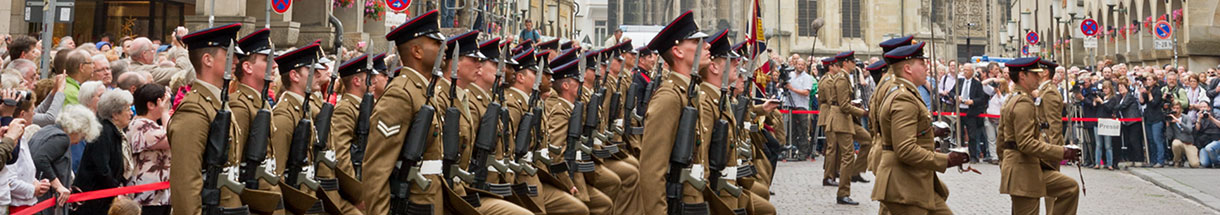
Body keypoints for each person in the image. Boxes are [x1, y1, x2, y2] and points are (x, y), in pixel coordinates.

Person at [363, 10, 448, 215]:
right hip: (415, 204)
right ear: (417, 51)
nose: (443, 48)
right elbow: (377, 169)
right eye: (436, 43)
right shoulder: (401, 94)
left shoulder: (422, 90)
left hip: (432, 198)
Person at [871, 41, 968, 214]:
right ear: (908, 68)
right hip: (904, 182)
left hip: (912, 178)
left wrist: (930, 133)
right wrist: (946, 159)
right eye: (922, 64)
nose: (927, 68)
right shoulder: (903, 98)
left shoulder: (906, 92)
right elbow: (905, 149)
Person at [168, 23, 246, 214]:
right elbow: (186, 182)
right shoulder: (194, 109)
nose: (236, 60)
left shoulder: (217, 102)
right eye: (229, 54)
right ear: (207, 60)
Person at [640, 10, 712, 213]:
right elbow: (652, 171)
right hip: (680, 200)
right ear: (678, 52)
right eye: (697, 43)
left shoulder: (690, 92)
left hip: (694, 195)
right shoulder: (669, 98)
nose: (707, 46)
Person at [998, 56, 1081, 215]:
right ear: (1022, 76)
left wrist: (1005, 162)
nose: (1038, 77)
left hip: (1028, 166)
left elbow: (1001, 139)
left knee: (1069, 188)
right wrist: (1061, 152)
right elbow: (1026, 143)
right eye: (1034, 74)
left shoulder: (1013, 98)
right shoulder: (1022, 103)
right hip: (1023, 170)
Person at [76, 89, 134, 215]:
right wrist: (115, 189)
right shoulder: (103, 132)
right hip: (94, 199)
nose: (131, 113)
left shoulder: (115, 132)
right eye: (128, 110)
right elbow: (102, 167)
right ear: (115, 115)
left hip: (105, 196)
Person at [31, 105, 100, 208]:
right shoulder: (62, 138)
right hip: (44, 201)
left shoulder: (47, 130)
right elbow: (39, 159)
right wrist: (58, 186)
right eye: (82, 137)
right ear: (77, 129)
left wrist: (64, 184)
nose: (77, 143)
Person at [126, 84, 171, 214]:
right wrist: (164, 112)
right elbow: (172, 139)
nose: (167, 104)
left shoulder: (149, 124)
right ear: (151, 105)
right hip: (147, 194)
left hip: (158, 193)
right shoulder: (141, 125)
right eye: (163, 101)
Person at [785, 55, 814, 159]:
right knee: (791, 129)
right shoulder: (790, 75)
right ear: (795, 65)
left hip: (801, 106)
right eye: (799, 64)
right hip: (790, 105)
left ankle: (803, 152)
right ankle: (791, 150)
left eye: (802, 65)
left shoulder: (807, 77)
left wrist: (792, 89)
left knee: (802, 129)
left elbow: (806, 92)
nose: (800, 66)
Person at [959, 63, 989, 162]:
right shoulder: (959, 81)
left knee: (972, 135)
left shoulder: (977, 84)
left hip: (971, 112)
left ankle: (973, 156)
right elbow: (951, 92)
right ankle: (960, 154)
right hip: (960, 110)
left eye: (967, 70)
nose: (965, 72)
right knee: (960, 134)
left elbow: (982, 98)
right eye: (964, 70)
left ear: (972, 71)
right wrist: (956, 97)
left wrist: (973, 101)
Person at [1140, 75, 1167, 167]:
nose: (1148, 81)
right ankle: (1153, 160)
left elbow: (1154, 103)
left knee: (1157, 139)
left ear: (1155, 81)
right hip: (1149, 117)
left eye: (1150, 79)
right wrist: (1141, 93)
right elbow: (1142, 102)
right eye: (1147, 79)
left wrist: (1149, 93)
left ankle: (1160, 160)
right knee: (1150, 140)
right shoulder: (1146, 90)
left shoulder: (1157, 90)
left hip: (1157, 118)